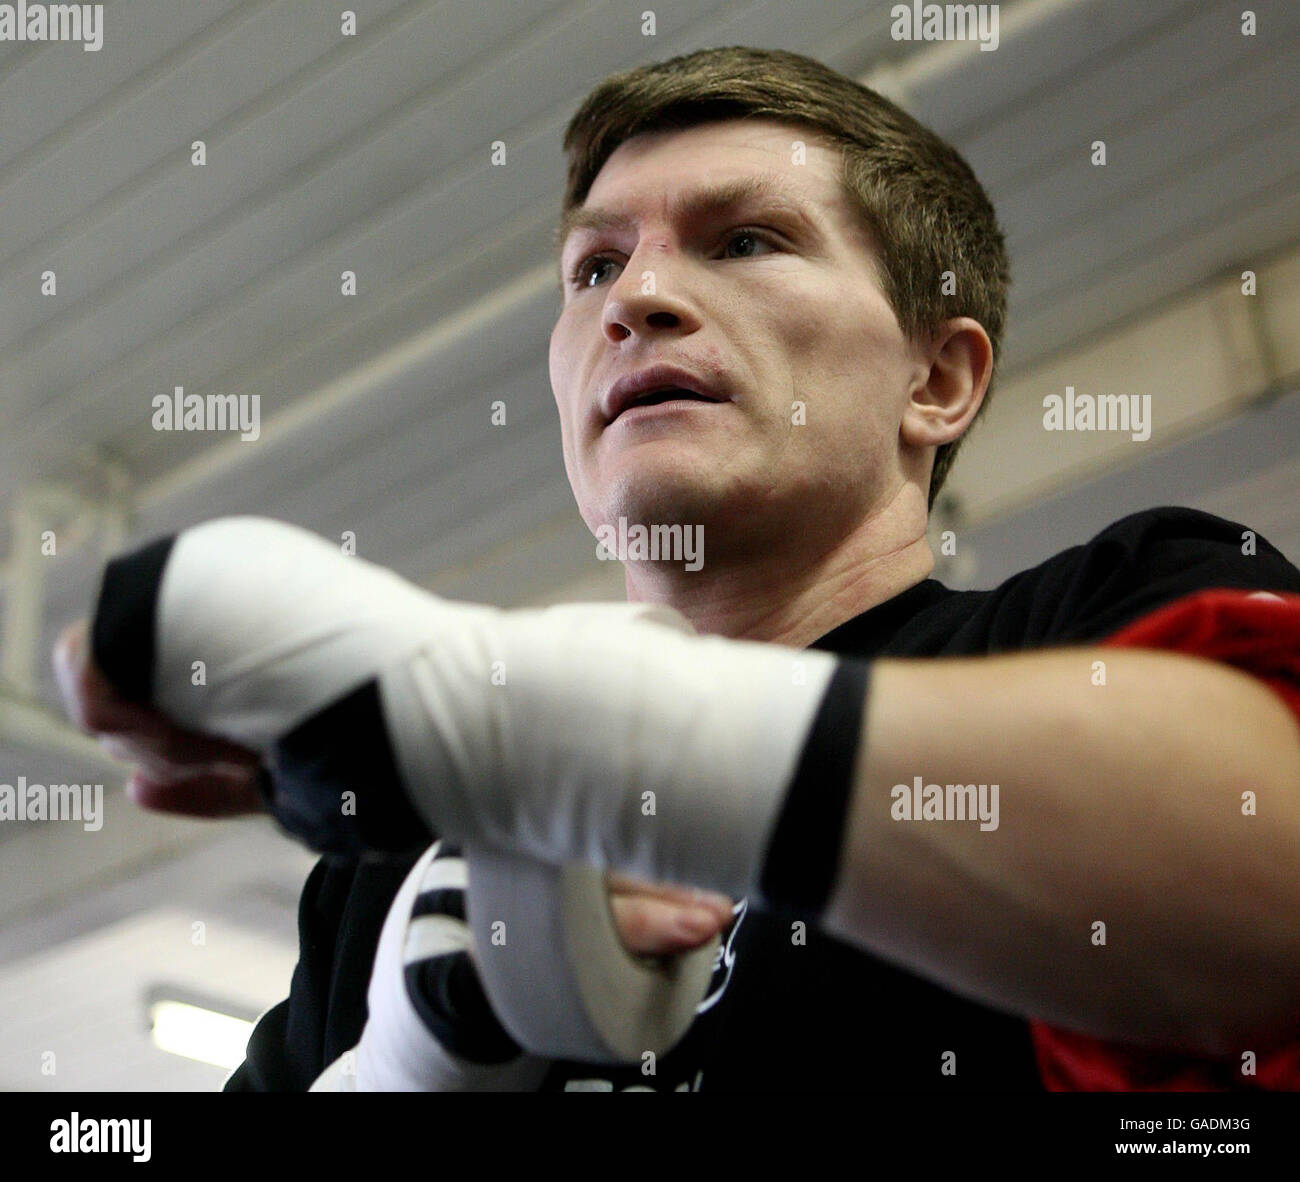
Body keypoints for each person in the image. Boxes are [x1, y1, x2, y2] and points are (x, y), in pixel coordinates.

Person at [54, 47, 1300, 1092]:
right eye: (593, 266)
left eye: (746, 241)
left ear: (937, 378)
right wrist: (413, 1063)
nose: (636, 296)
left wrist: (549, 733)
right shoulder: (394, 882)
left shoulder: (1101, 624)